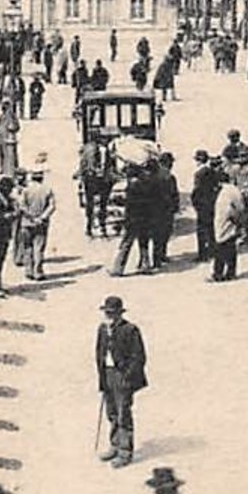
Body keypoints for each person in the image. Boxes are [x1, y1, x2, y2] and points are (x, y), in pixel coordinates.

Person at [94, 296, 147, 469]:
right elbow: (99, 353)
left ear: (119, 313)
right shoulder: (102, 329)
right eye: (106, 313)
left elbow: (138, 357)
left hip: (122, 376)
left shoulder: (130, 330)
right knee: (112, 412)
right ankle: (115, 445)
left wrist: (128, 377)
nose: (109, 316)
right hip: (108, 374)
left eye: (112, 313)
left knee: (123, 413)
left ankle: (125, 452)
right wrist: (101, 377)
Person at [16, 159, 57, 281]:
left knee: (28, 247)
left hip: (27, 222)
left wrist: (31, 217)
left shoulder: (26, 190)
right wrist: (42, 217)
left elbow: (21, 206)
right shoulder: (47, 189)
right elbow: (52, 206)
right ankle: (38, 271)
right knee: (39, 247)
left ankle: (29, 270)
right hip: (42, 223)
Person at [212, 175, 245, 282]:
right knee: (230, 249)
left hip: (226, 223)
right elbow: (240, 207)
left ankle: (218, 274)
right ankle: (231, 273)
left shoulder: (225, 193)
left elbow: (229, 210)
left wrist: (234, 219)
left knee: (220, 248)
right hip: (231, 224)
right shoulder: (234, 190)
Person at [150, 153, 181, 267]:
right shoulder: (169, 176)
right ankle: (161, 256)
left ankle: (157, 257)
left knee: (157, 234)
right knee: (165, 233)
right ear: (168, 163)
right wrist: (176, 207)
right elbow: (174, 194)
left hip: (155, 209)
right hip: (166, 209)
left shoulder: (153, 175)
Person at [191, 151, 222, 262]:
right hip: (211, 203)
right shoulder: (212, 172)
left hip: (202, 204)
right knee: (211, 228)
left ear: (198, 161)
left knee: (201, 230)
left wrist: (195, 203)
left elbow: (196, 191)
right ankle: (213, 251)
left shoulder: (199, 174)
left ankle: (202, 254)